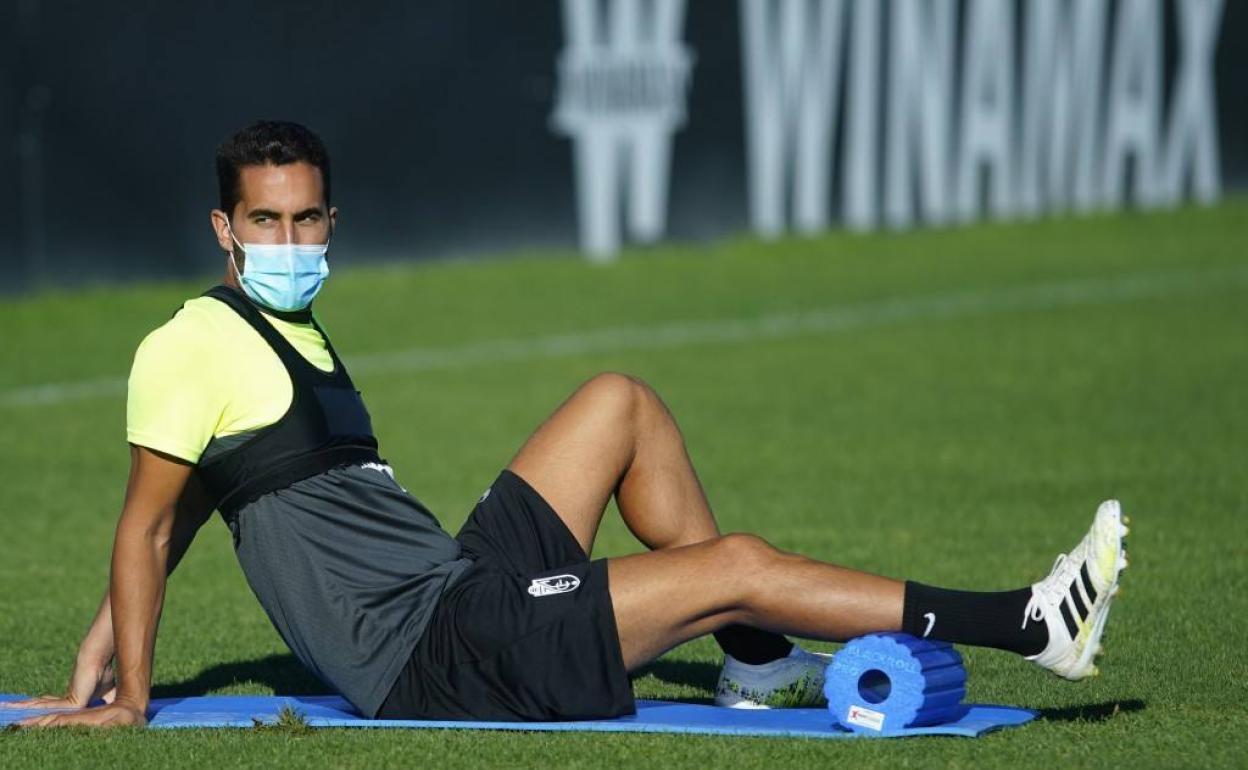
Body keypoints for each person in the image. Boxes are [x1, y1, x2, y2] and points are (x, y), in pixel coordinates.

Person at [8, 121, 1128, 729]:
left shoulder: (291, 335)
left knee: (615, 402)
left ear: (330, 218)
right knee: (732, 561)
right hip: (436, 653)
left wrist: (103, 641)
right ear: (227, 227)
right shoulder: (190, 342)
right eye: (268, 219)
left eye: (308, 217)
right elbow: (149, 518)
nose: (293, 238)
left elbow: (203, 498)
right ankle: (1029, 623)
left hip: (454, 587)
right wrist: (132, 696)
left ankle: (750, 660)